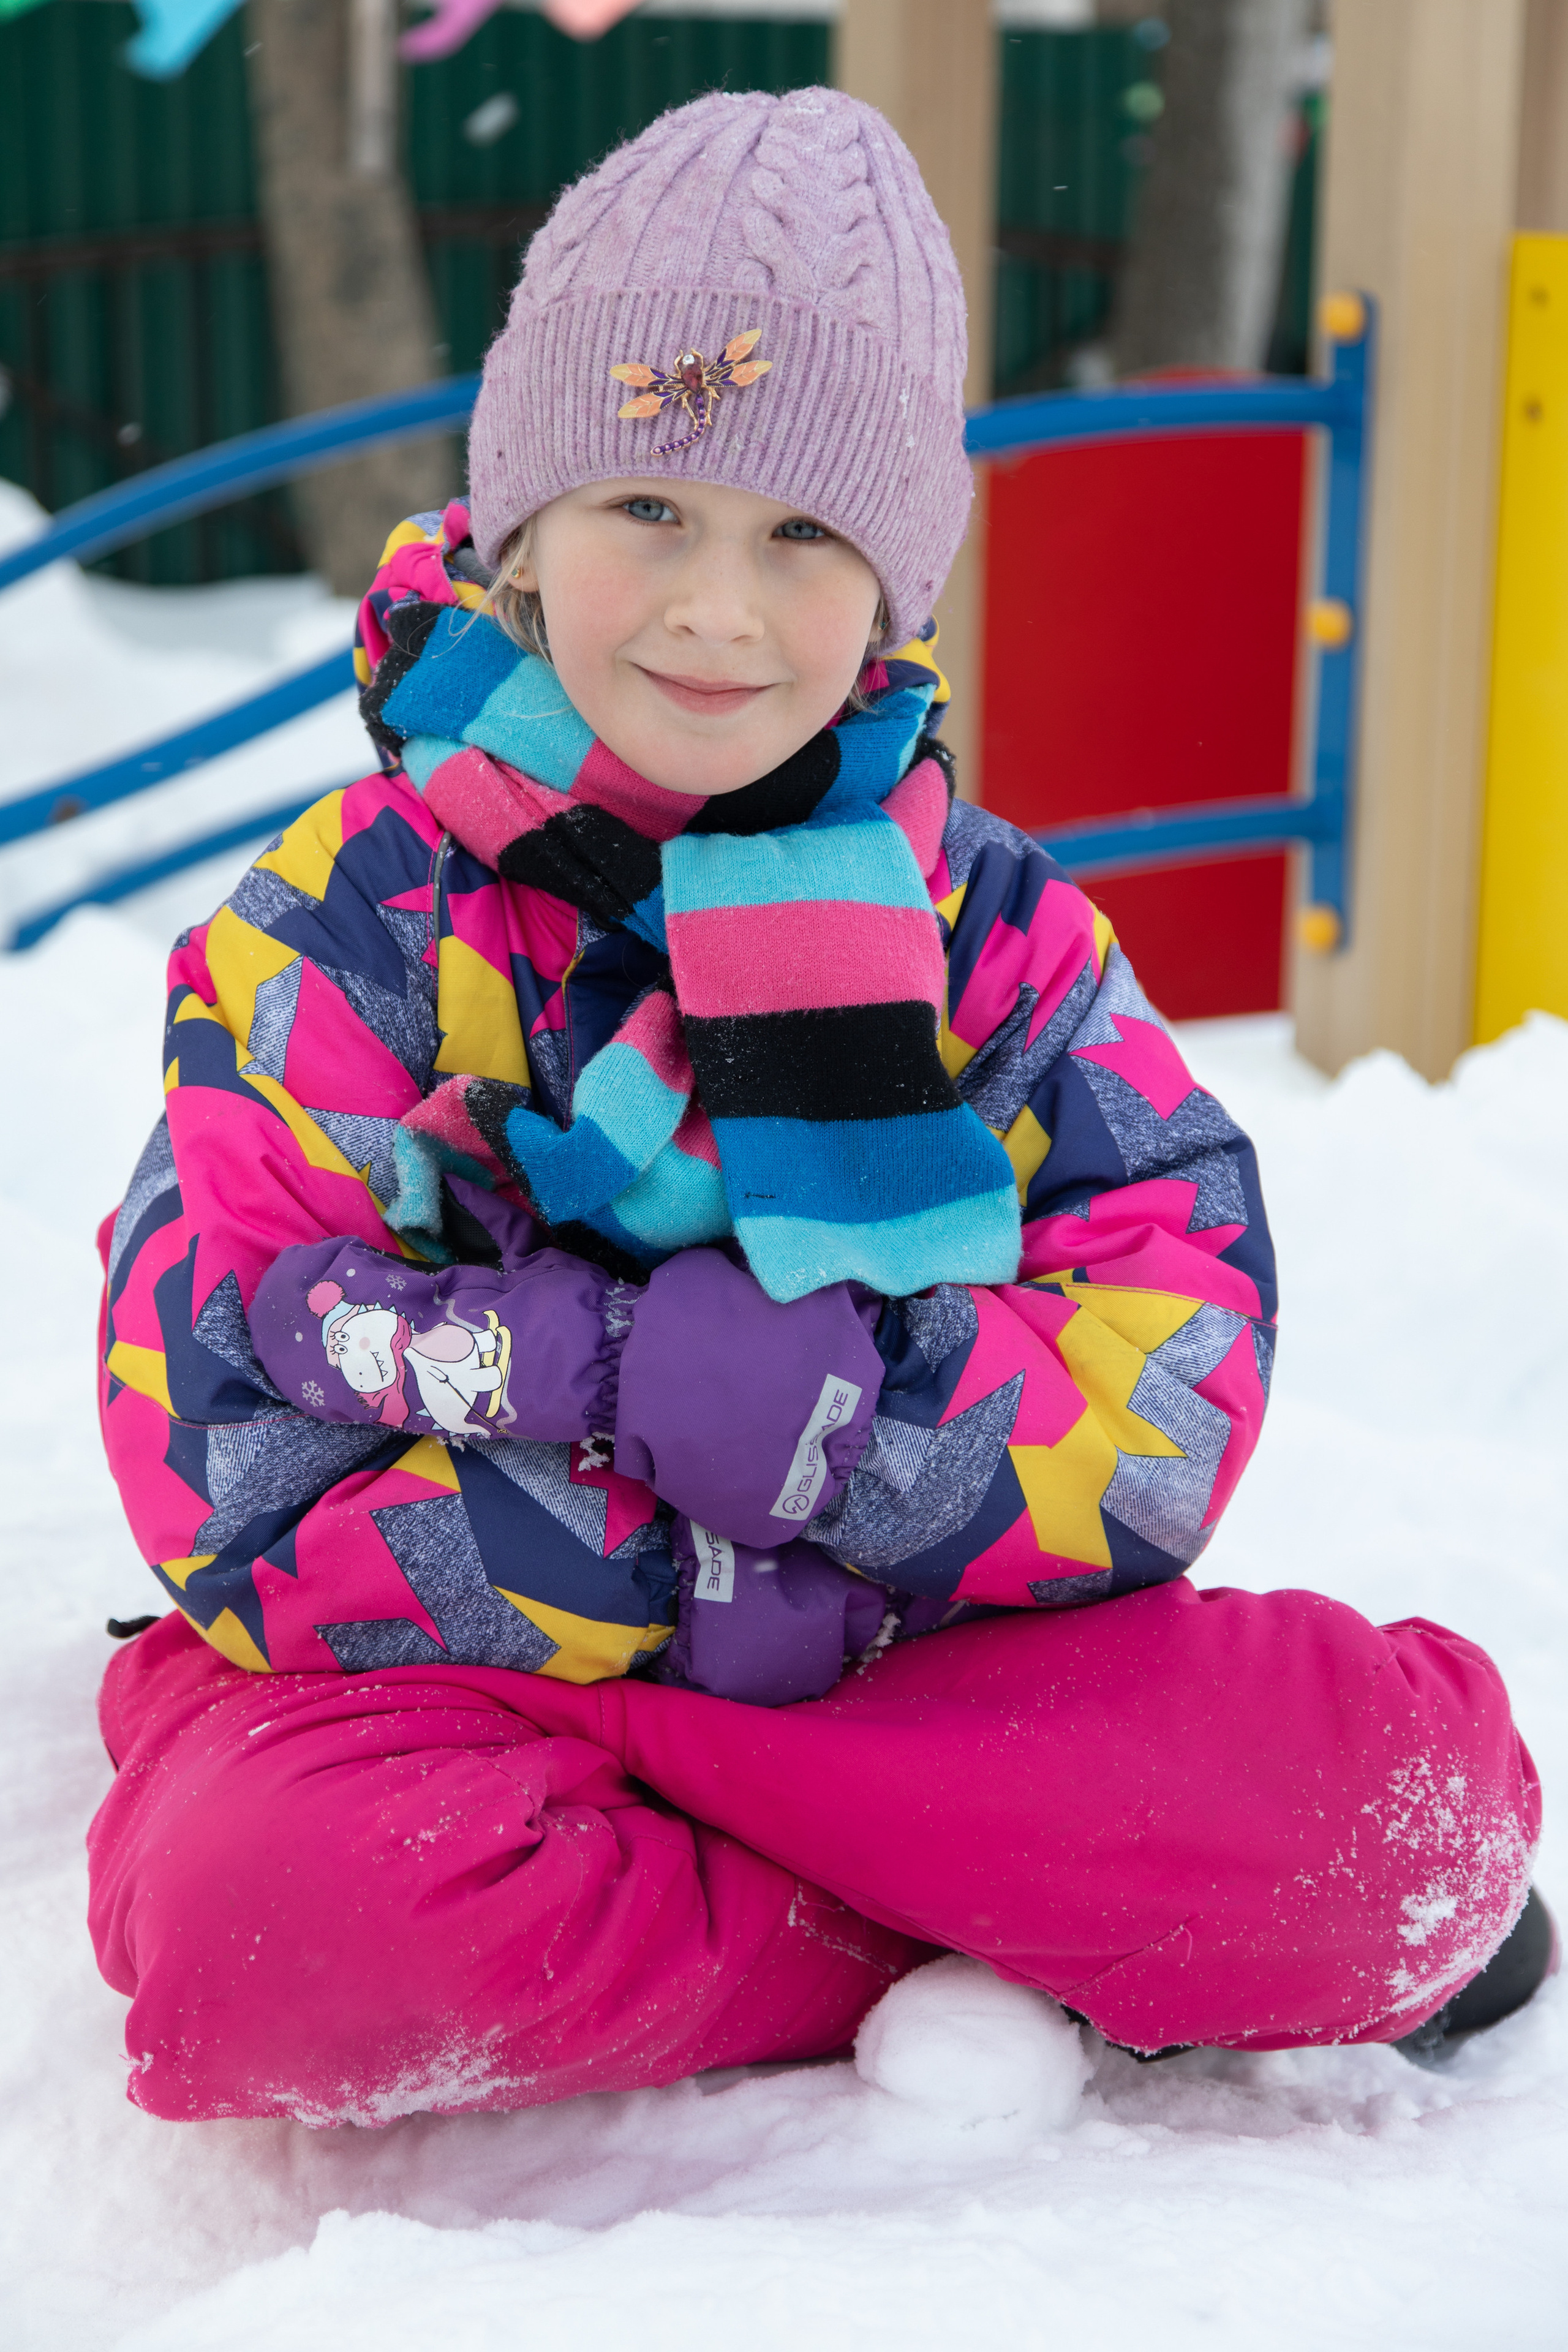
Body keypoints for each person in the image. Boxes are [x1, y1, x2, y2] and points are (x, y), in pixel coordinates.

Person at [88, 88, 1547, 2127]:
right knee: (276, 1940)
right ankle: (945, 1929)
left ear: (897, 588)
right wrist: (633, 1451)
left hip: (907, 1667)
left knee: (1405, 1839)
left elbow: (1172, 1373)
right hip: (464, 1670)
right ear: (523, 527)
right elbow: (226, 1439)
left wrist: (856, 1446)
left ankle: (762, 1895)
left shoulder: (991, 933)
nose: (719, 611)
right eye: (650, 513)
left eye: (803, 536)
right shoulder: (350, 925)